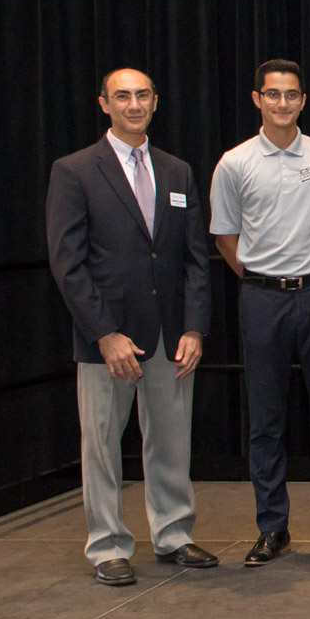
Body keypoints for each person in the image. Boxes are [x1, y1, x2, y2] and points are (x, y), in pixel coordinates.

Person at [46, 68, 215, 585]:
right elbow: (68, 263)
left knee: (171, 440)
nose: (134, 104)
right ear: (104, 104)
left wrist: (194, 327)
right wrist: (103, 332)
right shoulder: (75, 170)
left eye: (143, 95)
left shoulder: (177, 170)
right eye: (123, 96)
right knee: (101, 444)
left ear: (156, 102)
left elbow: (195, 259)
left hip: (170, 333)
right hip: (108, 337)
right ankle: (107, 546)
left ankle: (173, 534)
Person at [210, 60, 310, 565]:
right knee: (265, 421)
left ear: (303, 101)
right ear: (258, 99)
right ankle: (272, 528)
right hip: (262, 300)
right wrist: (264, 277)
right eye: (273, 94)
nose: (283, 103)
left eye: (292, 95)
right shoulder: (234, 163)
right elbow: (226, 237)